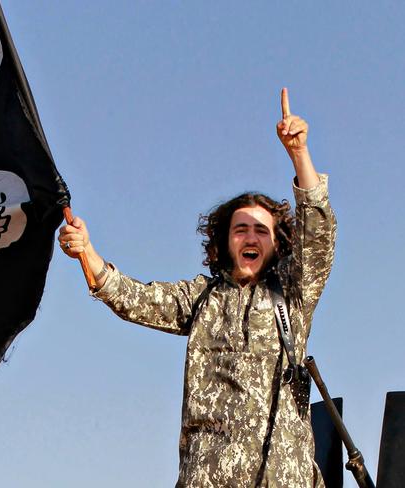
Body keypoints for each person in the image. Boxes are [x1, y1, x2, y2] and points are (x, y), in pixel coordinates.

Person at [58, 88, 336, 487]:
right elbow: (134, 297)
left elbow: (319, 236)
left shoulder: (291, 295)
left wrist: (299, 154)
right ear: (225, 242)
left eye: (262, 230)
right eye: (241, 229)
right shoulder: (202, 298)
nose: (251, 237)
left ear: (277, 245)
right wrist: (87, 253)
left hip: (281, 477)